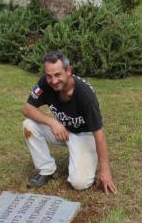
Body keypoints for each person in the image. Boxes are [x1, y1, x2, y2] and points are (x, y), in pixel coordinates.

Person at [22, 50, 117, 195]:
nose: (53, 81)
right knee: (29, 125)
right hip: (63, 130)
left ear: (68, 71)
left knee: (79, 183)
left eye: (58, 75)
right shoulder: (45, 83)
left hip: (84, 135)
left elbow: (99, 134)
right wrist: (53, 123)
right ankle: (46, 170)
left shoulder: (86, 96)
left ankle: (84, 156)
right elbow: (27, 108)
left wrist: (105, 170)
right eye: (49, 76)